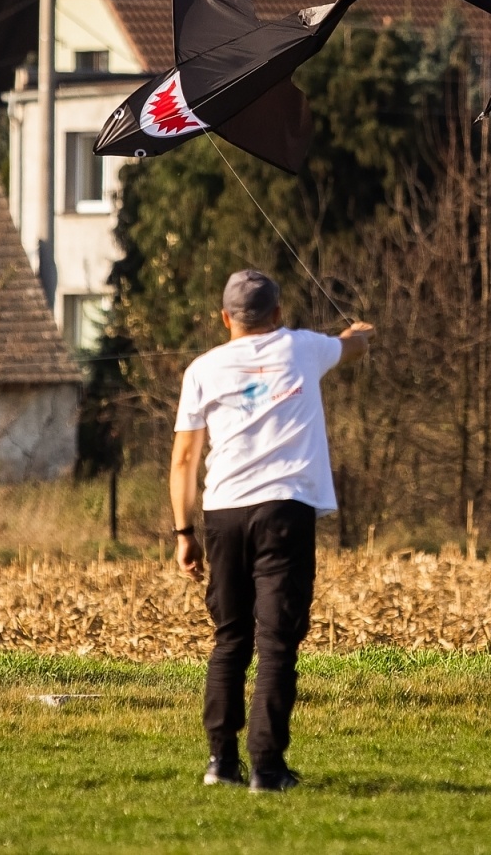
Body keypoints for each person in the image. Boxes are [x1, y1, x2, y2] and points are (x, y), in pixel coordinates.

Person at [170, 269, 372, 792]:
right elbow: (351, 347)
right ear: (277, 314)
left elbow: (186, 458)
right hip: (286, 510)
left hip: (223, 514)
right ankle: (267, 767)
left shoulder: (202, 369)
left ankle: (221, 762)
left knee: (230, 638)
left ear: (225, 318)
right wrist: (361, 333)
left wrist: (183, 531)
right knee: (277, 640)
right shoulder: (302, 348)